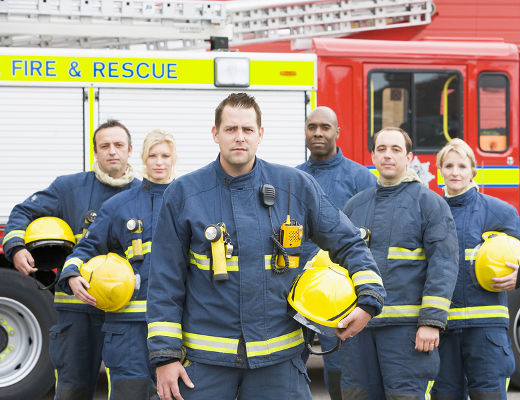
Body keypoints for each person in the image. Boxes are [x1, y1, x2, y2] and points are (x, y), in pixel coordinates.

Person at [145, 93, 386, 400]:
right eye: (231, 129)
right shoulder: (184, 194)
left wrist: (368, 299)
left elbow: (349, 241)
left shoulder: (295, 187)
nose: (239, 137)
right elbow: (164, 281)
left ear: (260, 134)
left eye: (247, 129)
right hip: (204, 363)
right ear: (215, 134)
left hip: (279, 364)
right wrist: (165, 357)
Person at [2, 120, 139, 399]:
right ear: (95, 152)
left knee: (130, 390)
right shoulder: (68, 188)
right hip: (77, 311)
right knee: (73, 387)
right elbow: (22, 212)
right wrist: (16, 247)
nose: (112, 151)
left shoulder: (145, 193)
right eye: (104, 146)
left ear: (129, 150)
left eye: (118, 145)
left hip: (127, 311)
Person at [57, 129, 177, 399]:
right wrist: (72, 273)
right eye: (153, 155)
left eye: (165, 156)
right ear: (142, 158)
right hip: (127, 329)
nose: (159, 162)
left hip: (174, 326)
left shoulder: (188, 202)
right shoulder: (118, 205)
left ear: (174, 159)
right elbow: (87, 247)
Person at [341, 127, 459, 399]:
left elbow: (444, 265)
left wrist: (431, 322)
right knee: (356, 395)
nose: (388, 155)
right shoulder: (355, 206)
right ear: (372, 155)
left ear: (409, 156)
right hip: (360, 329)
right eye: (381, 149)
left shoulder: (429, 203)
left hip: (406, 333)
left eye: (395, 149)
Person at [431, 138, 520, 400]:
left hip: (485, 332)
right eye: (448, 165)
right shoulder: (431, 211)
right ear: (440, 170)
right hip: (443, 329)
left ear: (473, 171)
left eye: (462, 166)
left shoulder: (497, 210)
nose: (455, 172)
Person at [296, 106, 376, 400]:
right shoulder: (292, 178)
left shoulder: (361, 178)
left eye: (325, 127)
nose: (318, 132)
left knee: (343, 373)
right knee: (289, 369)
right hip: (297, 294)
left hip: (343, 296)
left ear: (337, 132)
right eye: (312, 126)